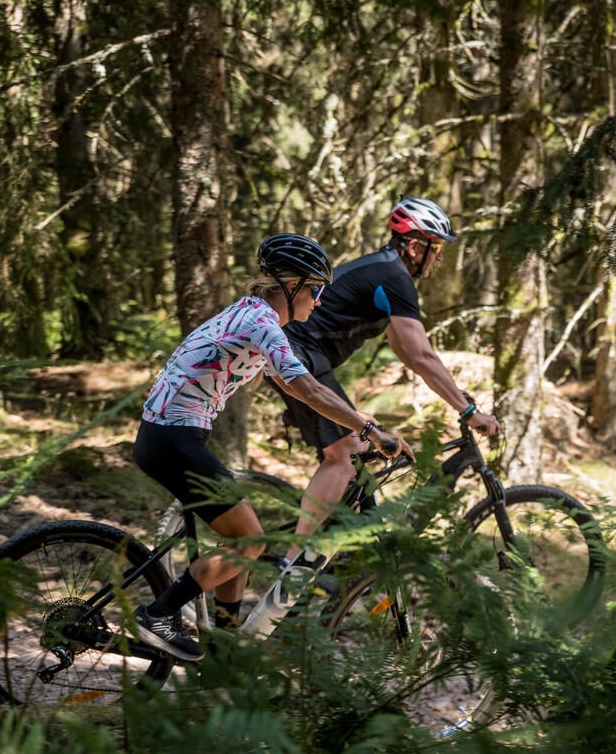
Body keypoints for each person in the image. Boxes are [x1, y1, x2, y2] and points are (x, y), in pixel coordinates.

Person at [132, 233, 412, 661]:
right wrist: (370, 430)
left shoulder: (256, 319)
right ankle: (159, 613)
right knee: (251, 541)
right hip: (173, 438)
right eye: (316, 290)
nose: (319, 301)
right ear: (293, 286)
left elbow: (303, 389)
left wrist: (363, 426)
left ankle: (222, 653)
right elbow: (313, 391)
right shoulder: (261, 323)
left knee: (242, 542)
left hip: (171, 436)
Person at [278, 196, 500, 557]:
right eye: (436, 248)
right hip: (296, 355)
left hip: (304, 356)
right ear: (414, 246)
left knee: (365, 446)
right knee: (346, 453)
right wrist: (468, 411)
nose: (439, 257)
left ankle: (341, 544)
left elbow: (408, 353)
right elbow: (422, 355)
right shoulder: (394, 277)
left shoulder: (387, 272)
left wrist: (455, 396)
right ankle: (294, 565)